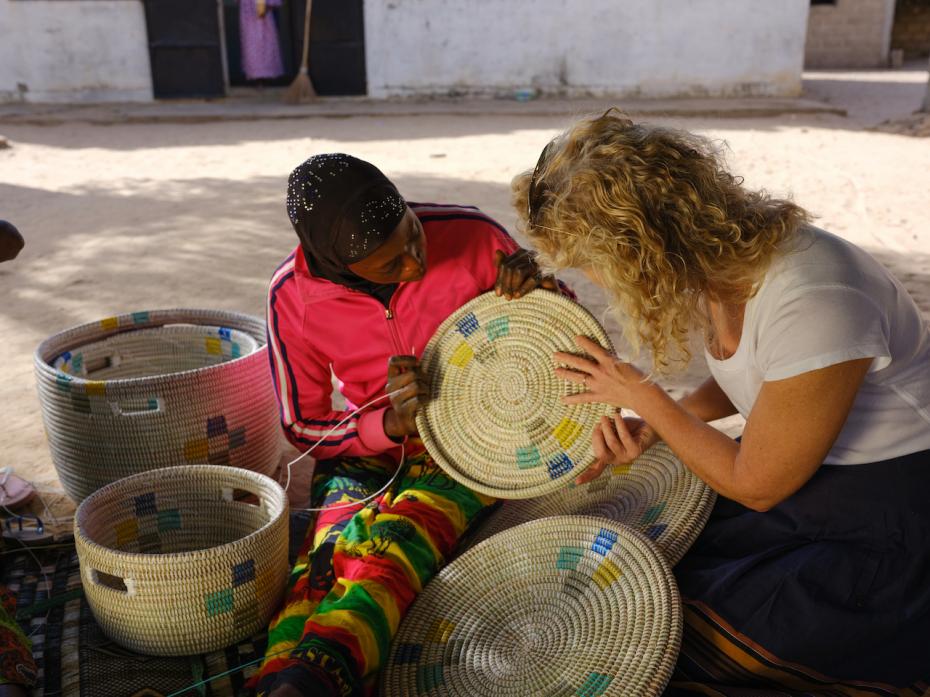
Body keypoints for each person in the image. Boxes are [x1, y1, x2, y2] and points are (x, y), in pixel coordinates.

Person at [512, 112, 930, 694]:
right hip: (814, 472)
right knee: (641, 571)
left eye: (591, 265)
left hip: (888, 505)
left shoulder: (816, 299)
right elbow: (760, 380)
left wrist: (648, 400)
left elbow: (758, 484)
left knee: (691, 632)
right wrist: (658, 422)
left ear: (642, 248)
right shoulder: (722, 263)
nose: (594, 281)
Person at [254, 154, 563, 696]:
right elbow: (303, 425)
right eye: (390, 266)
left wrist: (542, 290)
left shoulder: (470, 233)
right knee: (327, 558)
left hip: (476, 439)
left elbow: (556, 332)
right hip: (364, 448)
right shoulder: (293, 297)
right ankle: (281, 681)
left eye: (413, 237)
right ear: (340, 265)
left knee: (404, 534)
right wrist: (388, 426)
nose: (416, 264)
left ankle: (320, 672)